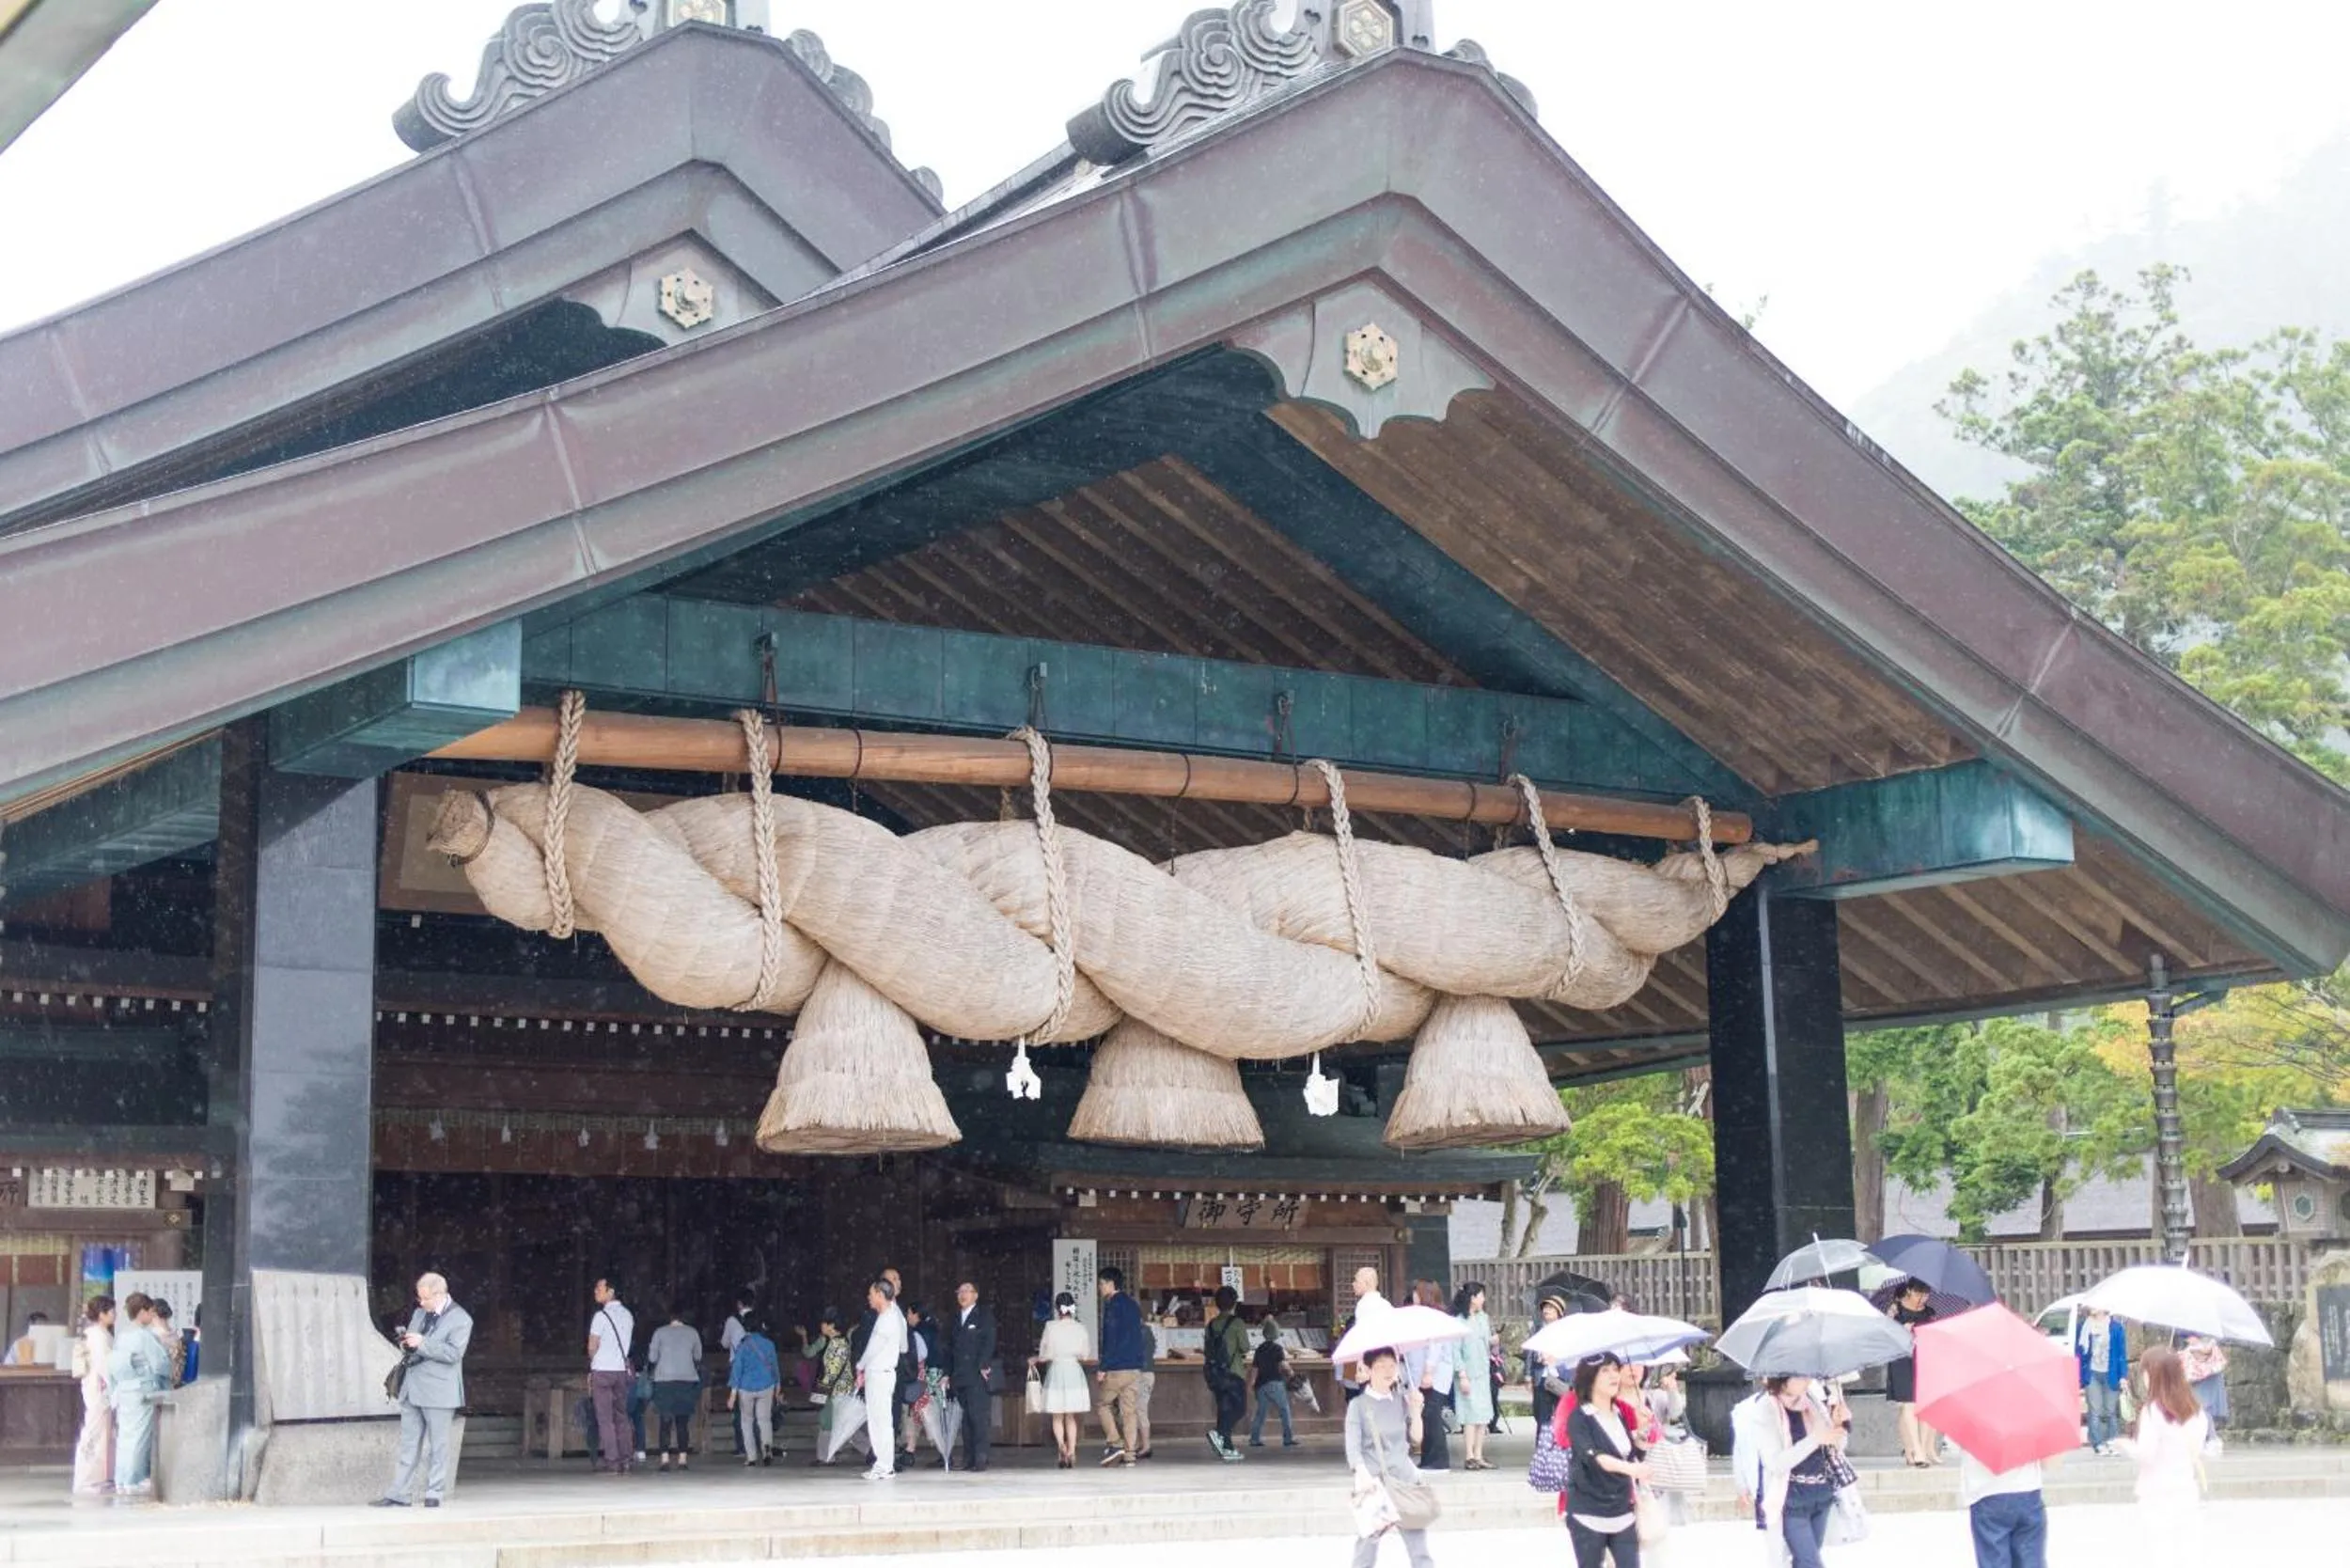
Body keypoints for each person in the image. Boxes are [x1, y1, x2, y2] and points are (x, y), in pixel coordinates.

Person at [374, 1272, 474, 1509]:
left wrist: (423, 1343)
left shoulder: (461, 1319)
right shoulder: (420, 1314)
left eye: (426, 1298)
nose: (422, 1303)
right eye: (420, 1298)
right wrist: (406, 1342)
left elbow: (453, 1354)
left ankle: (434, 1492)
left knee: (439, 1445)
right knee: (409, 1444)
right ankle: (399, 1493)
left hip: (439, 1391)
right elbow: (413, 1346)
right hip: (412, 1386)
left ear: (440, 1294)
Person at [1730, 1373, 1850, 1568]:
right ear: (1782, 1379)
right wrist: (1815, 1439)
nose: (1807, 1381)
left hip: (1821, 1493)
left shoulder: (1811, 1401)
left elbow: (1836, 1446)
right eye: (1800, 1377)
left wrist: (1838, 1424)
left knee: (1806, 1559)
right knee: (1810, 1562)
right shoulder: (1764, 1410)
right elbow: (1776, 1463)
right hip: (1790, 1499)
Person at [2118, 1345, 2210, 1556]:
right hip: (2186, 1490)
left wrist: (2127, 1446)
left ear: (2152, 1374)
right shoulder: (2196, 1411)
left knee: (2160, 1554)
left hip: (2157, 1493)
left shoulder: (2153, 1411)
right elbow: (2196, 1450)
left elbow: (2146, 1455)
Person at [1345, 1346, 1431, 1568]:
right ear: (1368, 1370)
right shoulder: (1358, 1406)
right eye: (1381, 1366)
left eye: (1392, 1365)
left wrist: (1415, 1412)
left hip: (1405, 1480)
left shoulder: (1402, 1400)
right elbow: (1353, 1449)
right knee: (1367, 1547)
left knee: (1419, 1548)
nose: (1388, 1371)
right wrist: (1362, 1475)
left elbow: (1416, 1439)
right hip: (1375, 1483)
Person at [1564, 1354, 1648, 1568]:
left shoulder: (1619, 1414)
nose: (1614, 1376)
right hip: (1588, 1511)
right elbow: (1596, 1458)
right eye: (1605, 1371)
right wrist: (1630, 1468)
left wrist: (1641, 1432)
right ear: (1590, 1378)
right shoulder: (1580, 1417)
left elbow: (1631, 1455)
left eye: (1615, 1369)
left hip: (1621, 1509)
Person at [108, 1294, 169, 1499]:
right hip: (142, 1388)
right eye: (150, 1311)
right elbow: (160, 1363)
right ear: (142, 1311)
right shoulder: (143, 1336)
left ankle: (122, 1479)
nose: (152, 1315)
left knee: (126, 1436)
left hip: (125, 1389)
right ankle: (134, 1479)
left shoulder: (123, 1335)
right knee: (140, 1436)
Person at [1093, 1266, 1148, 1466]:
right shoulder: (1133, 1305)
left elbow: (1110, 1339)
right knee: (1129, 1412)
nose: (1099, 1288)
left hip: (1117, 1368)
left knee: (1103, 1405)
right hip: (1134, 1367)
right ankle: (1130, 1454)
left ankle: (1115, 1443)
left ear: (1110, 1283)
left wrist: (1103, 1367)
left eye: (1101, 1283)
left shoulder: (1112, 1305)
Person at [1033, 1291, 1094, 1467]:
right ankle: (1072, 1452)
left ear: (1057, 1308)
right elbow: (1084, 1355)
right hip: (1074, 1371)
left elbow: (1044, 1356)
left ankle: (1061, 1445)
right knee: (1071, 1416)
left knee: (1057, 1416)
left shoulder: (1050, 1327)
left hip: (1057, 1370)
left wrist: (1040, 1357)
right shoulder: (1080, 1328)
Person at [854, 1278, 906, 1480]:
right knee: (882, 1421)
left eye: (871, 1294)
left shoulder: (887, 1319)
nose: (869, 1297)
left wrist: (860, 1366)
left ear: (880, 1295)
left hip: (879, 1374)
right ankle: (884, 1464)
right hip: (884, 1373)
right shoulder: (895, 1315)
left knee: (879, 1422)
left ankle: (884, 1465)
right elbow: (904, 1347)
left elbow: (872, 1349)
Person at [1960, 1449, 2047, 1568]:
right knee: (2030, 1559)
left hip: (1987, 1491)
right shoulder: (2031, 1429)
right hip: (2028, 1489)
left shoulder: (1972, 1429)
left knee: (1994, 1560)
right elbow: (2048, 1463)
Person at [945, 1279, 998, 1472]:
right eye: (959, 1291)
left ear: (975, 1295)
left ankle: (981, 1459)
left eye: (967, 1291)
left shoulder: (983, 1315)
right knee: (965, 1419)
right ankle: (968, 1458)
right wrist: (947, 1373)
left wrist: (984, 1364)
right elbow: (949, 1347)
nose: (963, 1294)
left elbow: (989, 1341)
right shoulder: (955, 1318)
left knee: (978, 1417)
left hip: (977, 1374)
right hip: (960, 1376)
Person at [586, 1278, 637, 1476]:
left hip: (603, 1371)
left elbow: (592, 1346)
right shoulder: (628, 1315)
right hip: (621, 1371)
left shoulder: (600, 1317)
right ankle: (626, 1458)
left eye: (599, 1288)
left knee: (605, 1418)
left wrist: (594, 1361)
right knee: (621, 1416)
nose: (596, 1291)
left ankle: (612, 1461)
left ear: (611, 1291)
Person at [1886, 1279, 1939, 1466]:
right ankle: (1915, 1450)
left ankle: (1920, 1449)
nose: (1922, 1299)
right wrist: (1902, 1330)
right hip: (1901, 1359)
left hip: (1924, 1359)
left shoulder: (1929, 1312)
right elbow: (1885, 1333)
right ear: (1909, 1290)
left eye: (1926, 1295)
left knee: (1924, 1406)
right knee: (1908, 1404)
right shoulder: (1895, 1309)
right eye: (1918, 1294)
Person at [647, 1304, 704, 1469]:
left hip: (664, 1380)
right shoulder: (692, 1332)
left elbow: (652, 1357)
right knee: (682, 1421)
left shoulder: (659, 1332)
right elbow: (698, 1356)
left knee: (665, 1421)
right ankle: (682, 1459)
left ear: (670, 1317)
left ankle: (664, 1459)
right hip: (686, 1380)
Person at [71, 1295, 115, 1498]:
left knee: (99, 1431)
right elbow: (104, 1365)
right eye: (111, 1311)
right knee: (97, 1431)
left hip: (94, 1384)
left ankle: (96, 1476)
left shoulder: (95, 1333)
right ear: (101, 1314)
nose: (114, 1315)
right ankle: (89, 1478)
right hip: (99, 1386)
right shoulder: (98, 1336)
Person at [727, 1309, 780, 1466]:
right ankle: (767, 1449)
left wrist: (732, 1393)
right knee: (764, 1420)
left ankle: (751, 1457)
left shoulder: (742, 1346)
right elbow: (774, 1367)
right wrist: (778, 1385)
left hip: (746, 1388)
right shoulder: (769, 1344)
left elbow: (737, 1370)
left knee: (746, 1422)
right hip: (766, 1385)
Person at [1204, 1284, 1251, 1461]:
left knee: (1224, 1410)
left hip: (1215, 1374)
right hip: (1234, 1372)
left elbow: (1207, 1350)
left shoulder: (1210, 1325)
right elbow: (1245, 1347)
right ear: (1233, 1303)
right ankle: (1219, 1433)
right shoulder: (1237, 1323)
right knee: (1239, 1408)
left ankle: (1227, 1448)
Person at [1450, 1282, 1496, 1469]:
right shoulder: (1459, 1322)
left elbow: (1486, 1342)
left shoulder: (1483, 1318)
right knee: (1470, 1414)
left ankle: (1479, 1454)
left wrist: (1493, 1341)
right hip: (1467, 1373)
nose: (1483, 1299)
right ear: (1472, 1298)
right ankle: (1469, 1455)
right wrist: (1462, 1375)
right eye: (1481, 1296)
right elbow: (1455, 1350)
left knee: (1483, 1415)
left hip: (1482, 1372)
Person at [2075, 1306, 2127, 1454]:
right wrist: (2078, 1376)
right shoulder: (2083, 1327)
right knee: (2095, 1410)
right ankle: (2097, 1443)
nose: (2092, 1308)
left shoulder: (2116, 1328)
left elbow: (2122, 1353)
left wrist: (2123, 1376)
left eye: (2096, 1305)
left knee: (2110, 1410)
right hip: (2091, 1372)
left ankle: (2112, 1441)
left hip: (2111, 1372)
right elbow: (2078, 1353)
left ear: (2104, 1308)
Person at [809, 1308, 856, 1466]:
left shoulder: (837, 1344)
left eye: (824, 1323)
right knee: (844, 1424)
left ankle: (825, 1457)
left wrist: (822, 1388)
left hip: (835, 1391)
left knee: (827, 1422)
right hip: (839, 1389)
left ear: (831, 1325)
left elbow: (833, 1369)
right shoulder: (839, 1342)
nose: (821, 1326)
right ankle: (871, 1451)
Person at [1340, 1266, 1390, 1402]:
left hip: (1370, 1361)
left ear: (1367, 1283)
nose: (1353, 1284)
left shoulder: (1364, 1305)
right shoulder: (1386, 1304)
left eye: (1356, 1281)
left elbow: (1363, 1336)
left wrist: (1361, 1365)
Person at [1249, 1317, 1297, 1449]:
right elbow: (1283, 1365)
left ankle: (1254, 1438)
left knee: (1261, 1412)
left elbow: (1255, 1368)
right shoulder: (1277, 1348)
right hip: (1275, 1383)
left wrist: (1252, 1383)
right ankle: (1288, 1438)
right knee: (1284, 1410)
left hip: (1261, 1385)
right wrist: (1292, 1374)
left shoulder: (1259, 1349)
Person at [1528, 1292, 1572, 1430]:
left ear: (1559, 1312)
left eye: (1551, 1308)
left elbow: (1572, 1355)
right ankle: (1542, 1448)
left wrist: (1556, 1359)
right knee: (1541, 1418)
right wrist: (1528, 1375)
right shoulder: (1537, 1329)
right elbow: (1530, 1352)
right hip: (1541, 1377)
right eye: (1545, 1307)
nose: (1546, 1310)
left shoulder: (1568, 1331)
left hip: (1561, 1378)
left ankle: (1560, 1448)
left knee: (1562, 1416)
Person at [720, 1290, 757, 1455]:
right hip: (757, 1367)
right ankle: (758, 1443)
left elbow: (724, 1343)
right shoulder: (759, 1318)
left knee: (739, 1409)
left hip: (738, 1366)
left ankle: (742, 1446)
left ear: (739, 1303)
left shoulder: (732, 1321)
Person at [1133, 1312, 1167, 1461]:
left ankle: (1145, 1446)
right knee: (1139, 1409)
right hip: (1148, 1373)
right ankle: (1140, 1444)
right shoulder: (1148, 1330)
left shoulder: (1135, 1332)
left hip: (1140, 1374)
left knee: (1139, 1410)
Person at [2178, 1334, 2229, 1430]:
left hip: (2201, 1377)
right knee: (2202, 1409)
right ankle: (2209, 1436)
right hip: (2204, 1373)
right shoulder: (2213, 1350)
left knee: (2201, 1408)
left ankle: (2209, 1436)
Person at [147, 1301, 185, 1389]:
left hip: (159, 1381)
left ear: (154, 1314)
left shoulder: (154, 1336)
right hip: (176, 1380)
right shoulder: (174, 1335)